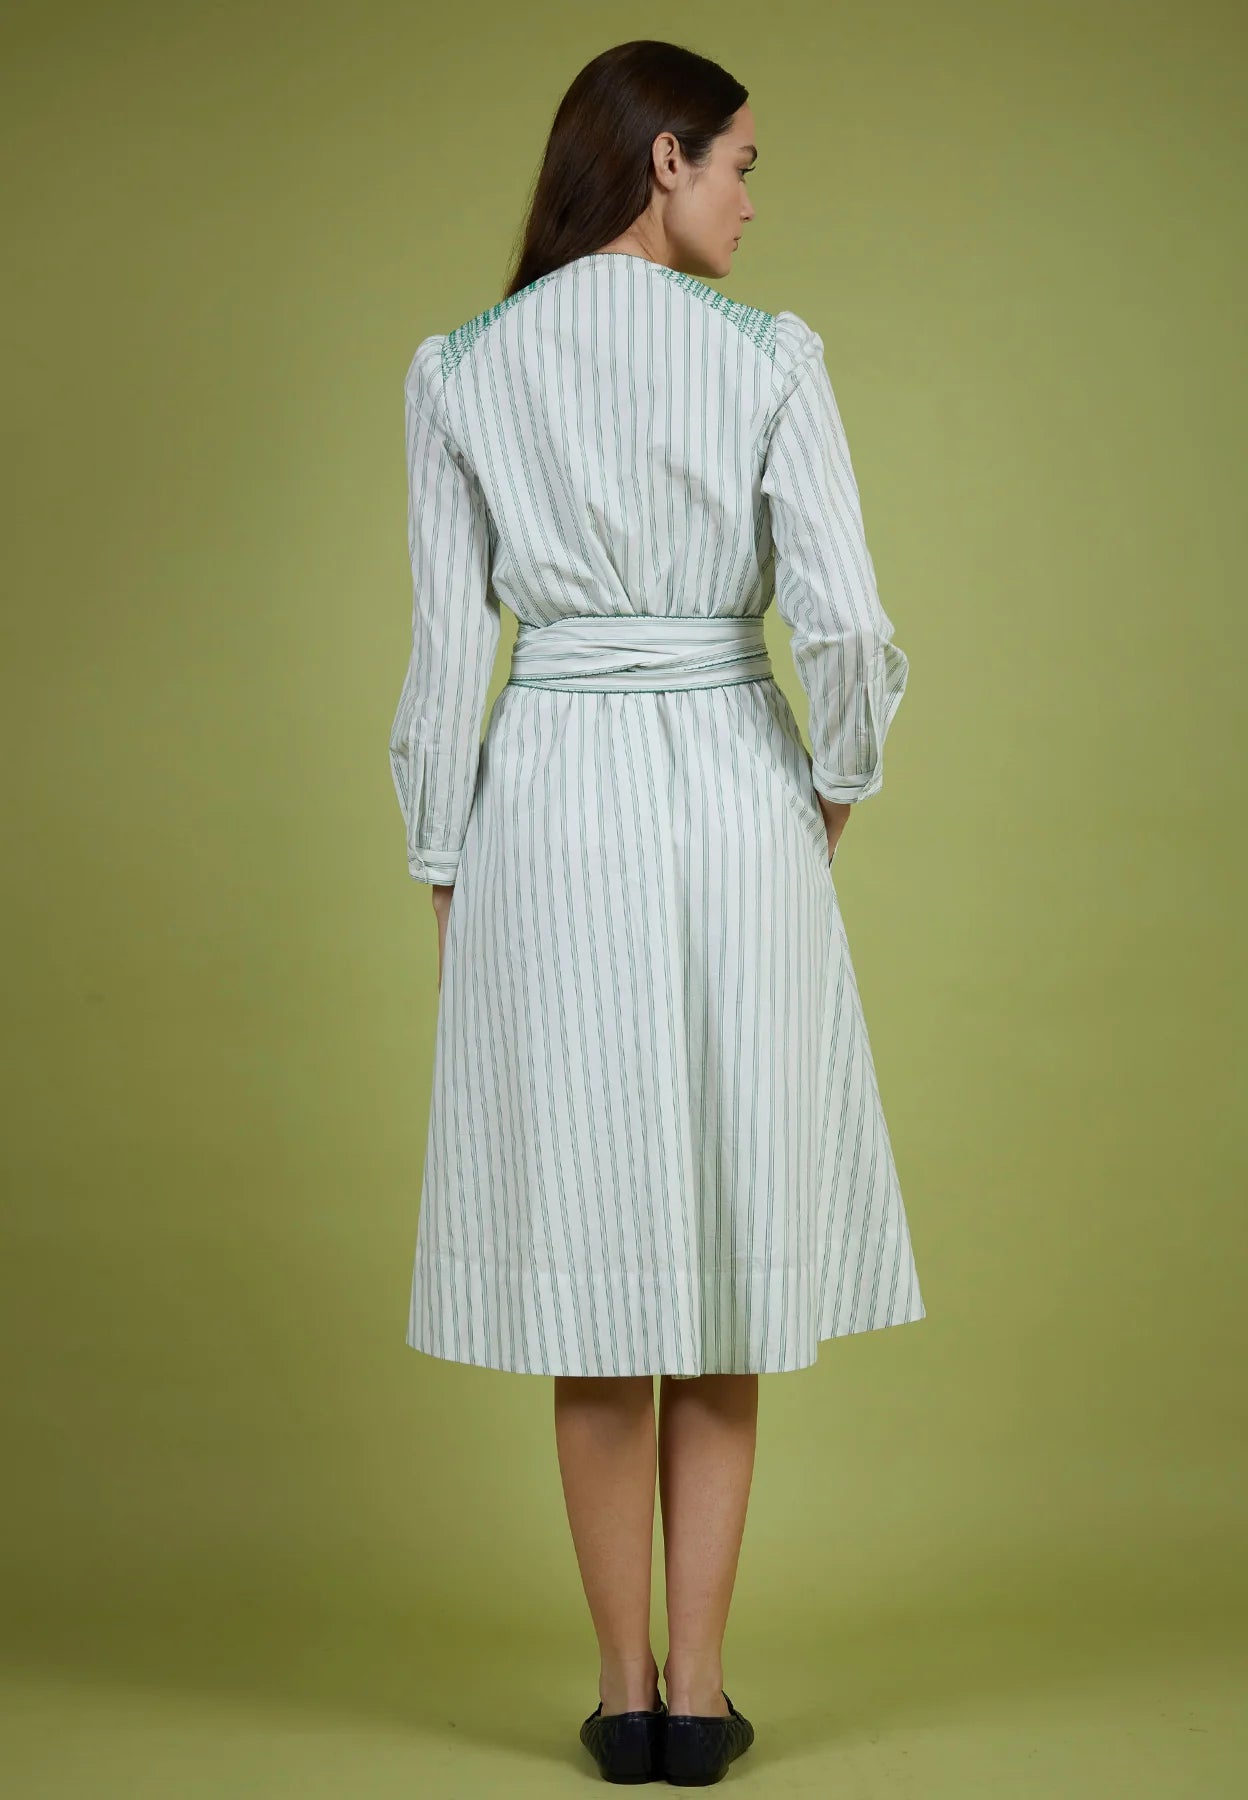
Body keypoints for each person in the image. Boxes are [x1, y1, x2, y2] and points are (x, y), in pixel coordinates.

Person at [387, 38, 927, 1788]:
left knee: (595, 1270)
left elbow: (438, 665)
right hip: (725, 792)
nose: (756, 204)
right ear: (667, 156)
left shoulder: (460, 368)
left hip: (542, 797)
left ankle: (616, 1698)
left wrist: (445, 864)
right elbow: (843, 629)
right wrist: (823, 791)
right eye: (746, 167)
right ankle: (701, 1700)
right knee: (719, 1243)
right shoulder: (772, 360)